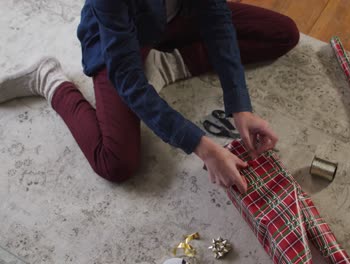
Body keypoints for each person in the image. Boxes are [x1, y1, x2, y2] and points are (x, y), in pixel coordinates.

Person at [0, 0, 299, 193]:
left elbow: (216, 17)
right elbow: (128, 79)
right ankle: (46, 79)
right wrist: (203, 147)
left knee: (281, 33)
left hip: (175, 18)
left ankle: (168, 63)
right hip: (121, 37)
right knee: (116, 162)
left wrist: (240, 106)